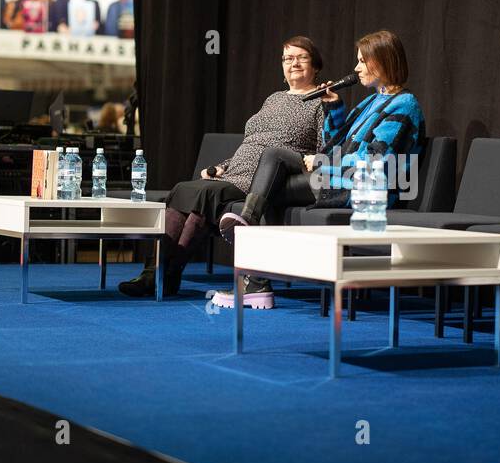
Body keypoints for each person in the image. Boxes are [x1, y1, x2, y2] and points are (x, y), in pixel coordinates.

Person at [214, 29, 425, 309]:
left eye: (362, 61)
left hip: (362, 188)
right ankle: (252, 248)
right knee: (273, 156)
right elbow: (334, 144)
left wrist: (323, 164)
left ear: (382, 62)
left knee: (271, 189)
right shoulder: (371, 101)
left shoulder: (404, 105)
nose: (356, 68)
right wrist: (334, 108)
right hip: (338, 178)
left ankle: (255, 276)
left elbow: (375, 164)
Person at [117, 36, 326, 299]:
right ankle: (155, 272)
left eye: (301, 57)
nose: (293, 63)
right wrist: (221, 166)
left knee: (205, 196)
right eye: (288, 58)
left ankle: (165, 275)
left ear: (315, 65)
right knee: (187, 190)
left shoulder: (321, 102)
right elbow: (252, 141)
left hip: (267, 176)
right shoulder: (273, 98)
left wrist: (303, 161)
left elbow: (323, 151)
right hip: (236, 170)